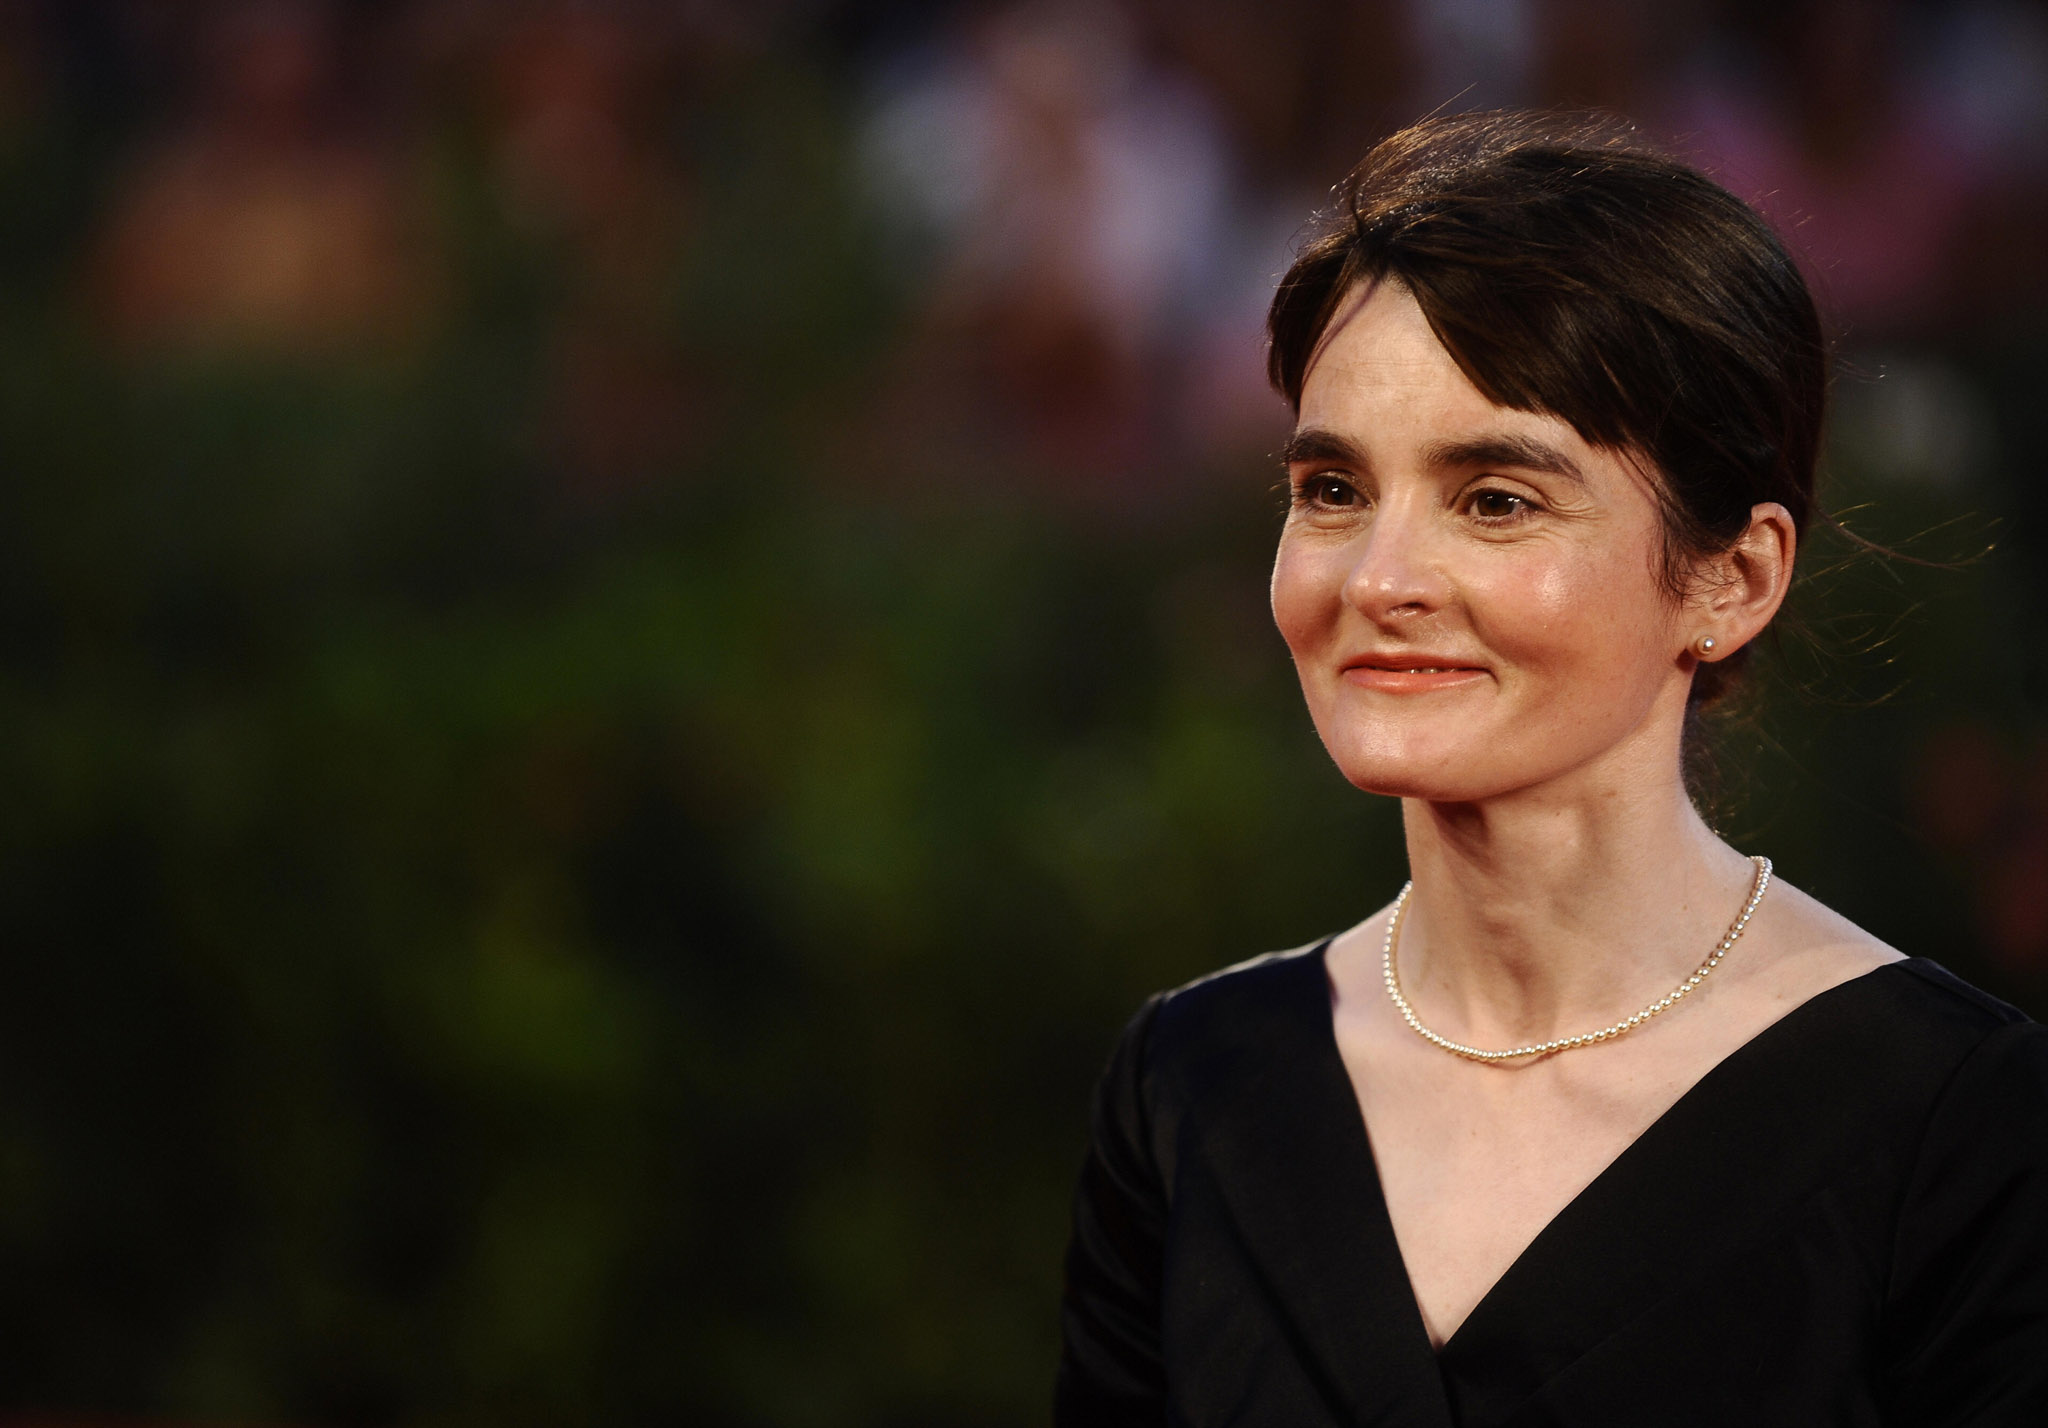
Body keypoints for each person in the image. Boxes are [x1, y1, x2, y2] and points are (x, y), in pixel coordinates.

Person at [1053, 111, 2048, 1427]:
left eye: (1496, 501)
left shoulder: (1957, 1126)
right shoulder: (1194, 1085)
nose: (1382, 581)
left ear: (1732, 579)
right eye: (1335, 490)